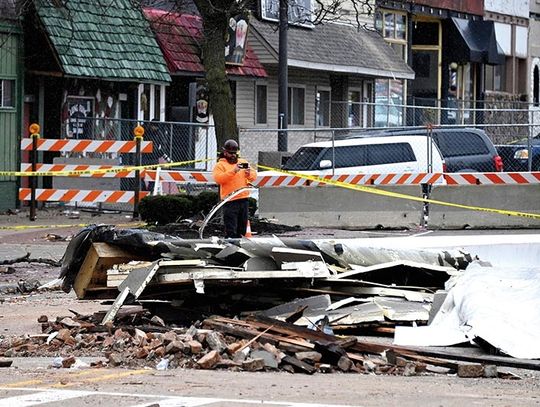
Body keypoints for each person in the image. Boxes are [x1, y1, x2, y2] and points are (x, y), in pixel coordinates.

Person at [212, 139, 257, 238]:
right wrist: (233, 171)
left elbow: (253, 176)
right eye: (230, 153)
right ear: (225, 152)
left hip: (243, 199)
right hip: (230, 200)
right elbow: (219, 179)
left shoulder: (242, 162)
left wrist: (249, 173)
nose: (233, 155)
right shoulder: (220, 165)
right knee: (231, 227)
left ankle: (240, 244)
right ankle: (230, 244)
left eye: (234, 153)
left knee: (242, 228)